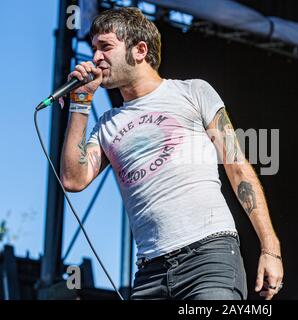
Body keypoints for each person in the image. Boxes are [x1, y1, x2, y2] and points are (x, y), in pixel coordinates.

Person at [61, 7, 283, 300]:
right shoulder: (106, 125)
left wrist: (271, 249)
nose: (96, 58)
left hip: (208, 257)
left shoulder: (193, 93)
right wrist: (80, 103)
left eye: (106, 47)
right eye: (94, 49)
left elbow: (237, 166)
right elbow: (73, 180)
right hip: (150, 273)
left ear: (140, 50)